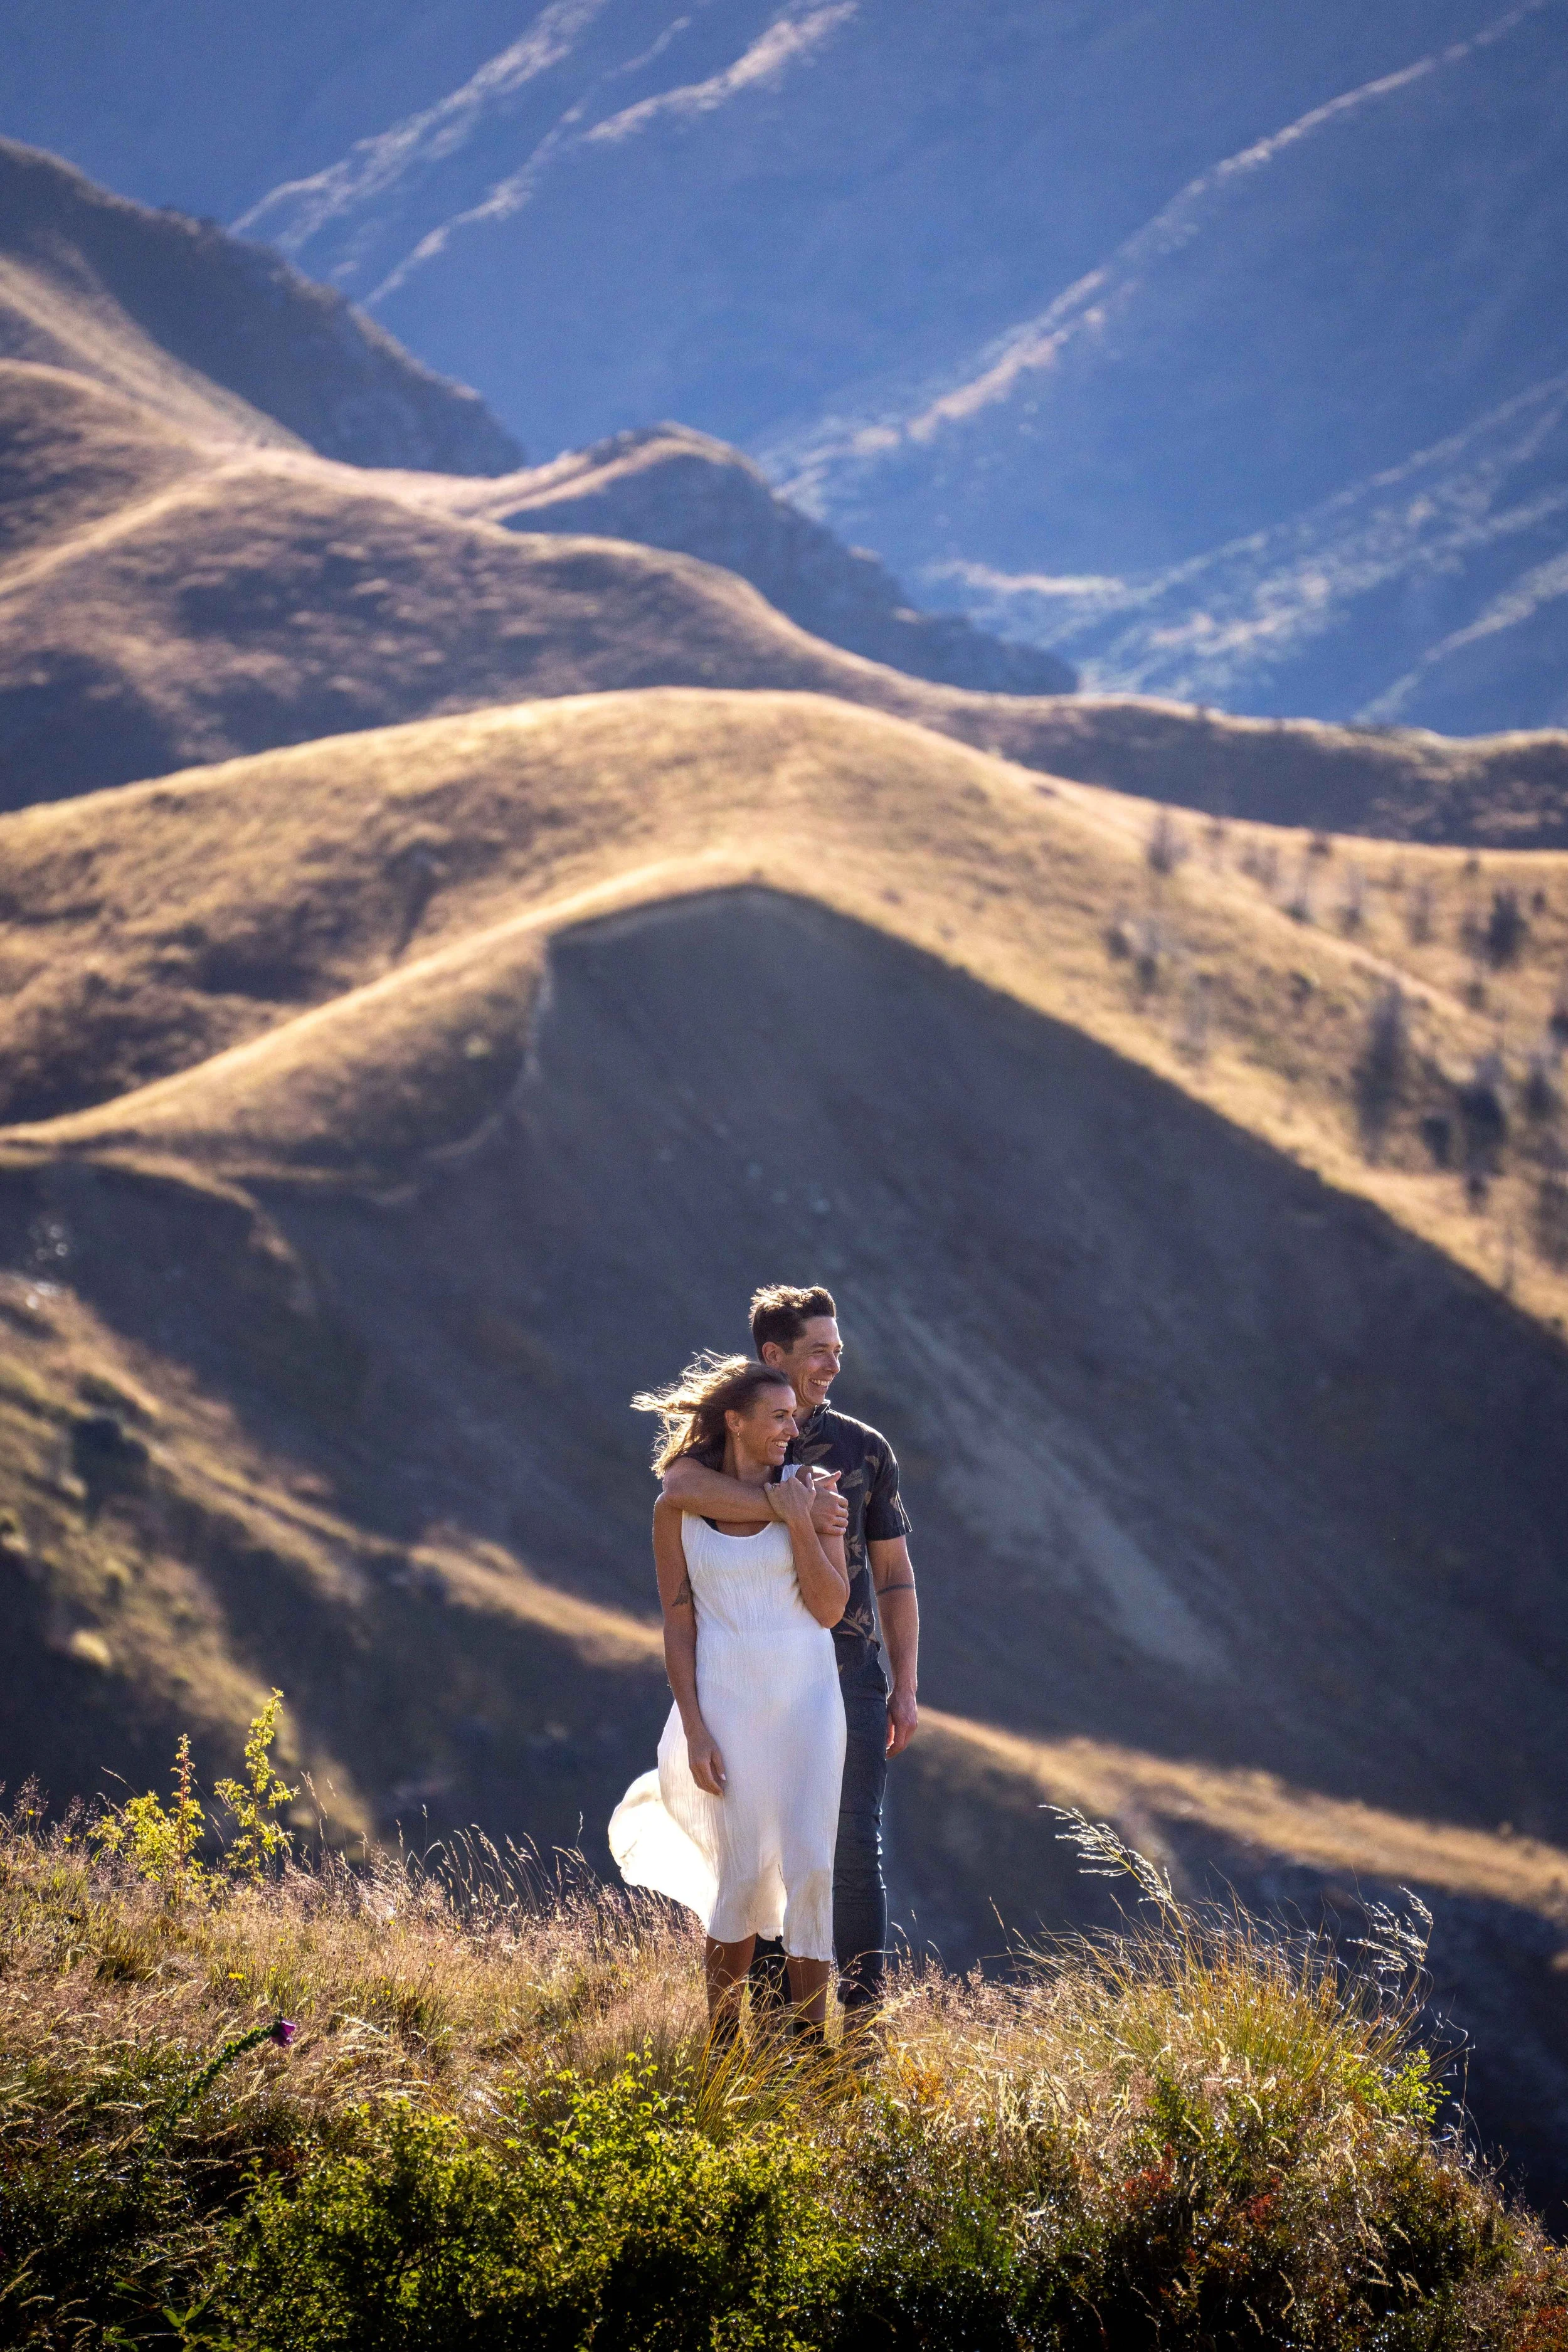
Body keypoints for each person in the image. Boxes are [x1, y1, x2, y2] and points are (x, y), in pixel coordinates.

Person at [661, 1285, 919, 2021]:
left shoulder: (862, 1449)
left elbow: (896, 1575)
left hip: (847, 1678)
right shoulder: (723, 1445)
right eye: (818, 1351)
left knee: (847, 1852)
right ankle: (779, 2029)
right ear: (773, 1355)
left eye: (838, 1351)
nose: (833, 1365)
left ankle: (861, 2024)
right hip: (748, 1681)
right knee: (761, 1856)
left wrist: (904, 1686)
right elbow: (676, 1487)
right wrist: (790, 1503)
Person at [608, 1355, 849, 2037]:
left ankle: (811, 2044)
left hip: (808, 1704)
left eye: (792, 1418)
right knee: (741, 1874)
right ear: (735, 1423)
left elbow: (831, 1608)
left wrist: (801, 1520)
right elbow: (678, 1622)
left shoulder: (811, 1491)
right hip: (726, 1704)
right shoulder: (677, 1509)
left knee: (811, 1867)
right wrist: (695, 1729)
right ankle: (721, 2040)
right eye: (776, 1417)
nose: (790, 1428)